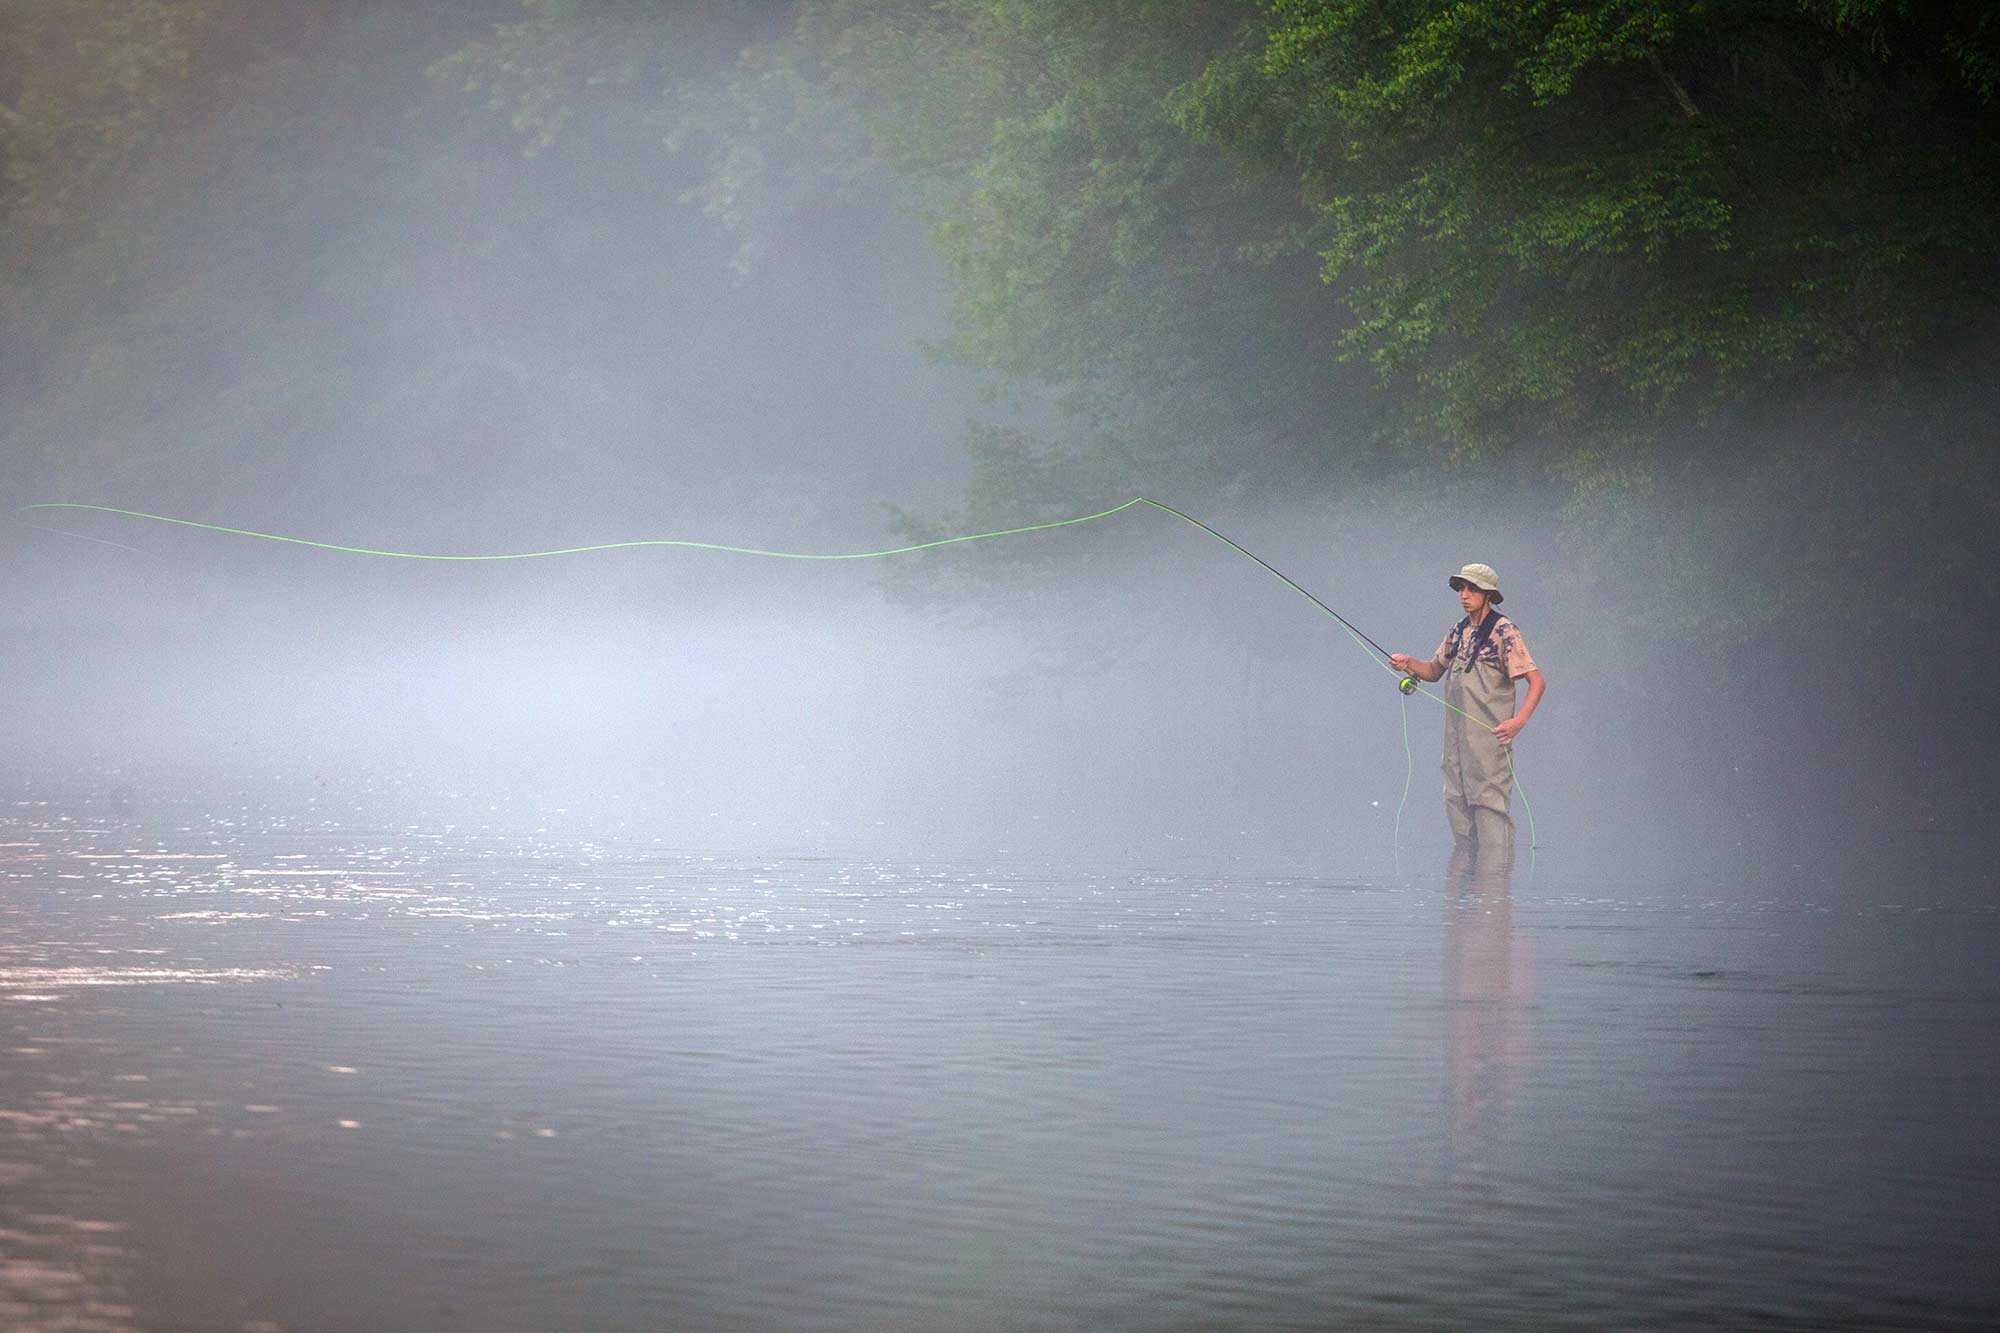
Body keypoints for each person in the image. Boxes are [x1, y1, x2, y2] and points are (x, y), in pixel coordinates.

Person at [1389, 564, 1545, 863]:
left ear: (1488, 595)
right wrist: (1408, 662)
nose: (1464, 594)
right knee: (1456, 801)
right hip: (1456, 739)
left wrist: (1519, 721)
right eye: (1461, 588)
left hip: (1490, 739)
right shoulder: (1458, 630)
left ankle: (1495, 887)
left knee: (1488, 805)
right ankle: (1464, 894)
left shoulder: (1504, 631)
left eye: (1472, 589)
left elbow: (1537, 681)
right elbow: (1433, 671)